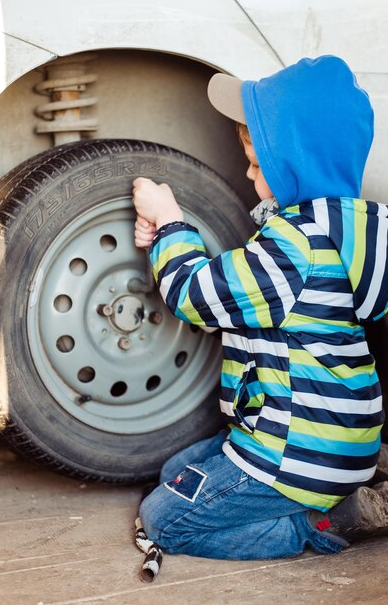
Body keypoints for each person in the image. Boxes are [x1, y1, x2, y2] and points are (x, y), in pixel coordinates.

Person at [131, 55, 388, 560]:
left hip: (297, 450)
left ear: (298, 163)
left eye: (257, 163)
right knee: (175, 472)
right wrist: (161, 240)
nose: (249, 174)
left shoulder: (296, 248)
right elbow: (260, 285)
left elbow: (197, 295)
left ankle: (320, 524)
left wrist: (170, 223)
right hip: (337, 436)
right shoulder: (343, 231)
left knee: (165, 518)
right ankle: (352, 485)